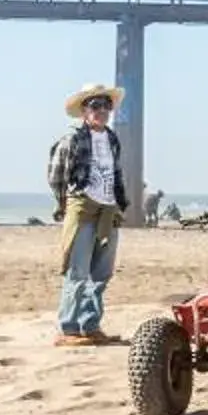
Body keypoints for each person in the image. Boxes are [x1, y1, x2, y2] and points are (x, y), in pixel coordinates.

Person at [45, 83, 134, 347]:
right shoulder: (72, 138)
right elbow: (55, 175)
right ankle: (68, 328)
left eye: (106, 105)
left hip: (109, 208)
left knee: (102, 272)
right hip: (83, 207)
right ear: (84, 110)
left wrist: (119, 203)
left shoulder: (112, 138)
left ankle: (90, 325)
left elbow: (116, 173)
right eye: (95, 105)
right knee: (78, 270)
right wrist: (66, 203)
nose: (102, 110)